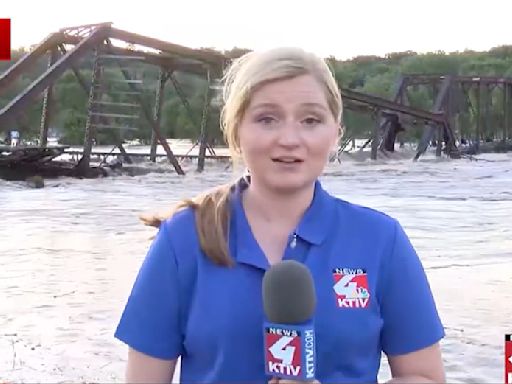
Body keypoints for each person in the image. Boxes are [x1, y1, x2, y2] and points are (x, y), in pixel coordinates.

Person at [114, 47, 446, 383]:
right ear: (236, 130)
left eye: (311, 120)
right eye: (266, 119)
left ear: (336, 134)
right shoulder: (184, 237)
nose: (289, 139)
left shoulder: (380, 239)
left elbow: (426, 377)